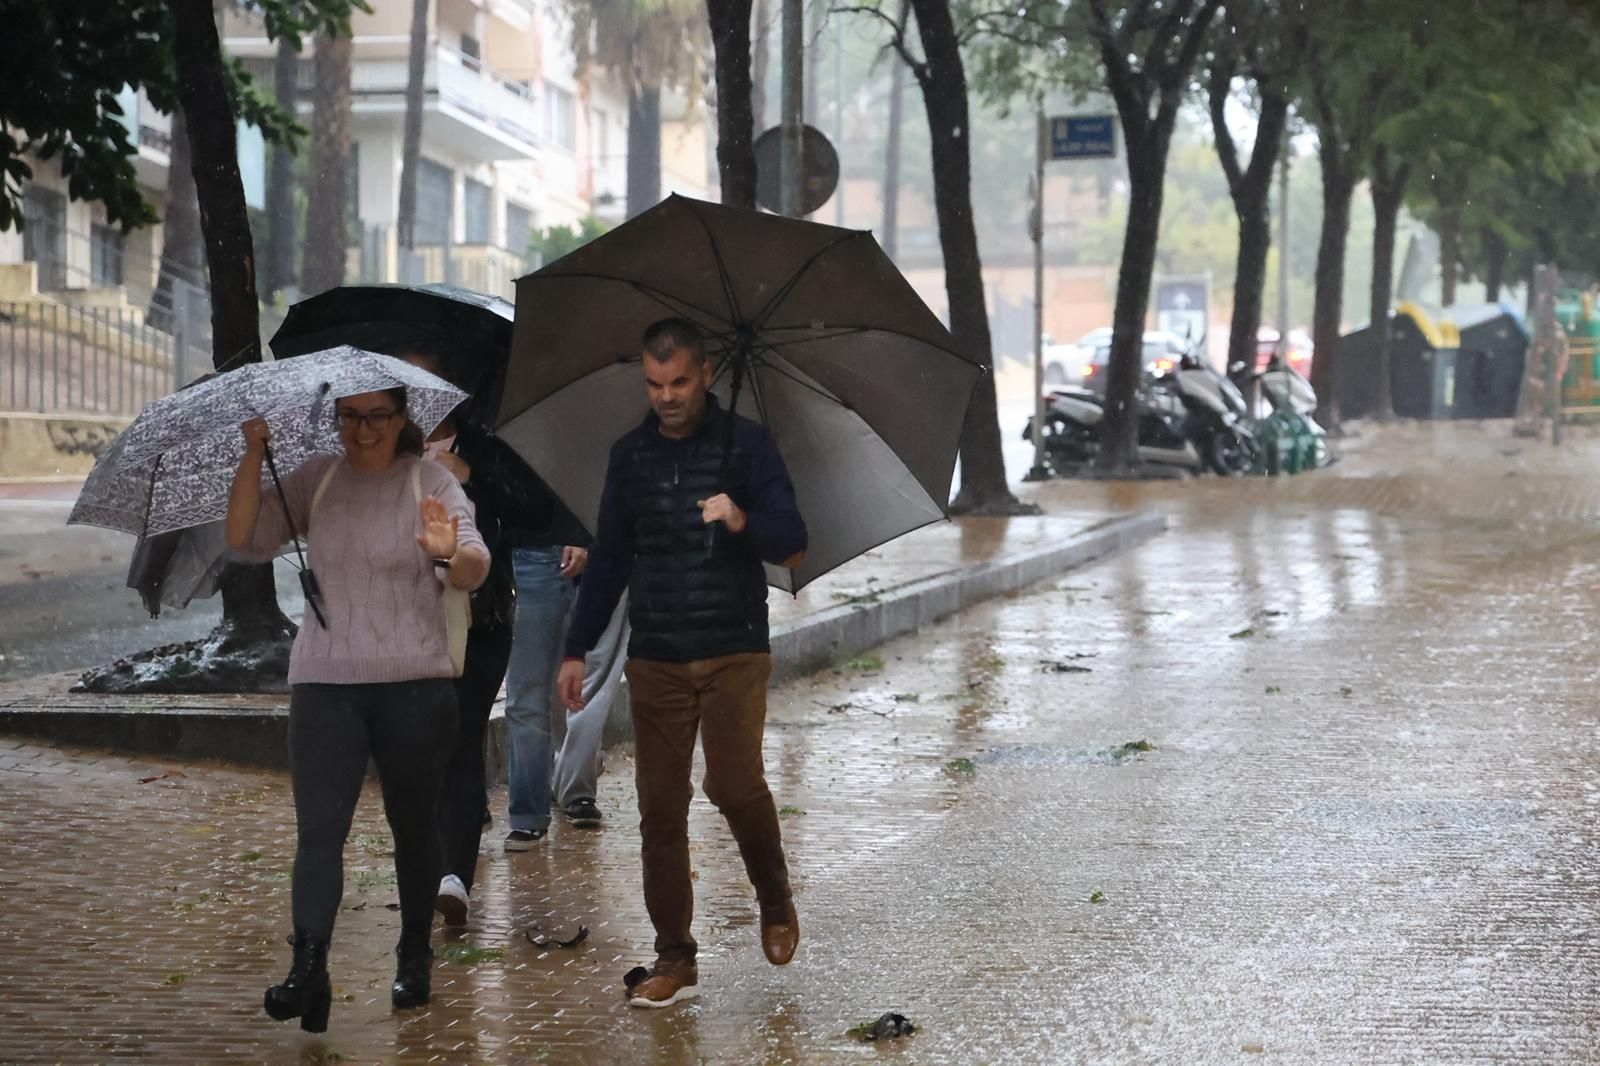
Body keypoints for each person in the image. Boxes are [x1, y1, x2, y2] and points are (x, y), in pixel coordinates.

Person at [557, 318, 808, 1009]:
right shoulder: (629, 456)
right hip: (659, 656)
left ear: (705, 377)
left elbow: (793, 544)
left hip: (734, 649)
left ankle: (774, 895)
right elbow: (608, 559)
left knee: (732, 785)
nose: (666, 396)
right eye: (654, 383)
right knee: (658, 811)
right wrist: (576, 650)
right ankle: (674, 956)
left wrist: (741, 519)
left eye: (679, 382)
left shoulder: (748, 447)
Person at [226, 386, 489, 1032]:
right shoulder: (316, 479)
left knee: (413, 826)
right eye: (349, 416)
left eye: (377, 417)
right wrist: (252, 458)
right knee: (319, 831)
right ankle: (308, 968)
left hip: (415, 683)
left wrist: (446, 550)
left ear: (403, 419)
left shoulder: (427, 481)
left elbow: (475, 563)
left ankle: (413, 954)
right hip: (324, 682)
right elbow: (244, 539)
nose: (362, 430)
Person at [392, 351, 553, 928]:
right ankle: (426, 860)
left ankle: (452, 875)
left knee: (460, 738)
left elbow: (532, 510)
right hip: (405, 626)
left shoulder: (486, 447)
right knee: (419, 748)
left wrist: (472, 478)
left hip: (480, 623)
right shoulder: (385, 457)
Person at [502, 510, 594, 846]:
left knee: (528, 694)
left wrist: (579, 534)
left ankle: (529, 813)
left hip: (542, 552)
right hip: (483, 547)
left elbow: (572, 465)